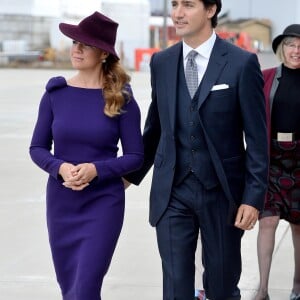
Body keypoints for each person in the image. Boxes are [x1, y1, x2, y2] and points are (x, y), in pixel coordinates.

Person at [123, 0, 269, 299]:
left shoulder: (241, 63)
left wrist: (253, 198)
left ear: (211, 10)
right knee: (176, 286)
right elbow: (156, 127)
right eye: (174, 4)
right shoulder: (161, 62)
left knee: (222, 286)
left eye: (187, 5)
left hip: (222, 193)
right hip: (172, 191)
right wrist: (126, 176)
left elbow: (257, 138)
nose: (177, 13)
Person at [29, 11, 144, 300]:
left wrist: (96, 169)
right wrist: (60, 167)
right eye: (74, 42)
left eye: (85, 44)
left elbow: (135, 157)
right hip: (62, 202)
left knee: (85, 288)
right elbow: (37, 148)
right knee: (69, 288)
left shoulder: (122, 97)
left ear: (104, 53)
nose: (76, 50)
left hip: (103, 202)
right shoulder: (56, 93)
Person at [255, 24, 300, 300]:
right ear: (282, 49)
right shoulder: (267, 78)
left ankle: (297, 287)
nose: (296, 51)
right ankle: (262, 289)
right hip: (271, 159)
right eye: (292, 45)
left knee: (298, 227)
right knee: (267, 222)